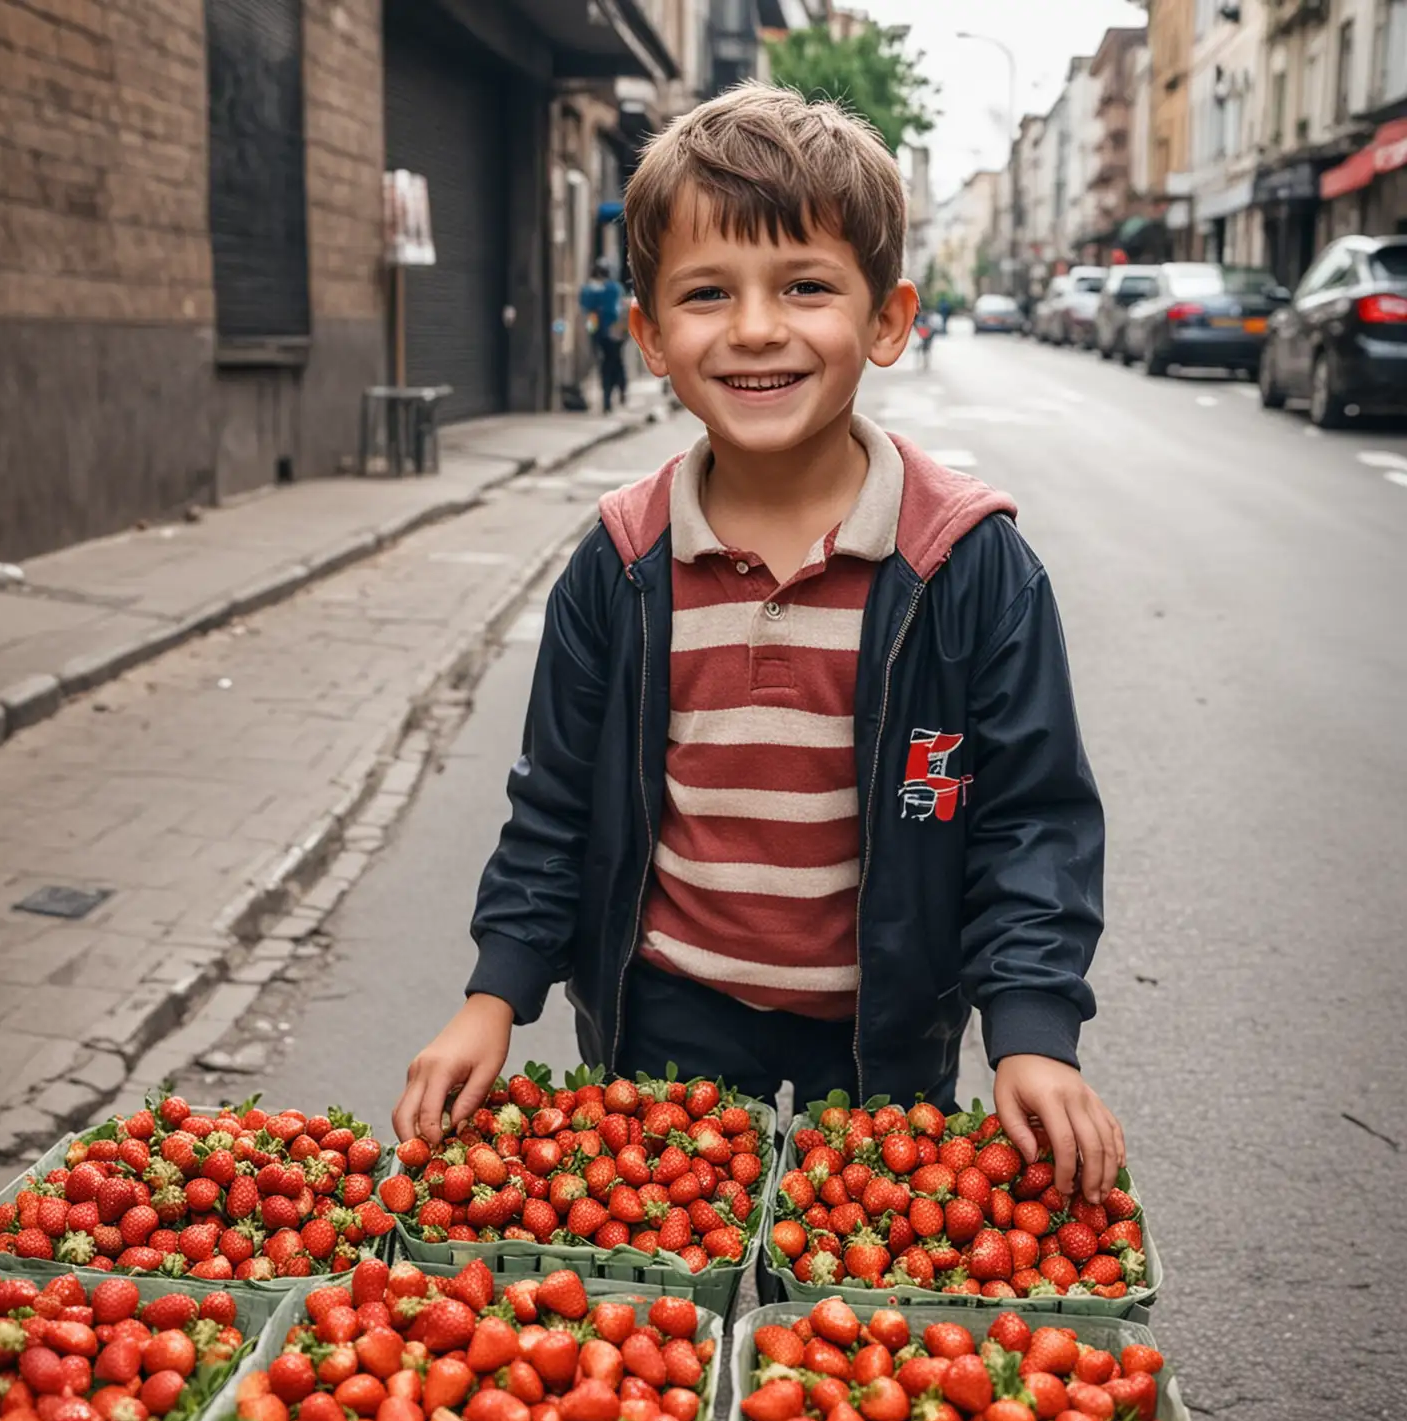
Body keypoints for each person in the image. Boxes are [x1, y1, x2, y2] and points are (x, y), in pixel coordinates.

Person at [394, 84, 1122, 1201]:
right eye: (704, 293)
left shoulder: (967, 566)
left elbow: (1031, 821)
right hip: (665, 1016)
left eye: (806, 285)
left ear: (887, 319)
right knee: (671, 1308)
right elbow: (555, 805)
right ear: (647, 335)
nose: (754, 328)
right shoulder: (621, 563)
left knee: (849, 1321)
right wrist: (492, 996)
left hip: (885, 1027)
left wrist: (1030, 1029)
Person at [579, 258, 628, 413]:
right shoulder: (612, 289)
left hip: (609, 332)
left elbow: (587, 309)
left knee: (609, 364)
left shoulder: (604, 289)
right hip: (610, 333)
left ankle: (614, 394)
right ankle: (615, 393)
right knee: (612, 363)